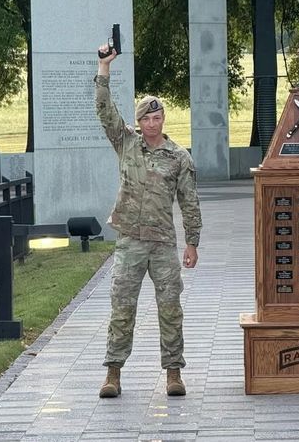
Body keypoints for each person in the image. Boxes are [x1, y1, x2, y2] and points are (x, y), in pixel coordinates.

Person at [94, 44, 202, 398]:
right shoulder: (126, 143)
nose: (152, 124)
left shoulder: (178, 157)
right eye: (145, 119)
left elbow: (189, 200)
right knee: (122, 308)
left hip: (163, 244)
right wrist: (104, 67)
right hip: (129, 242)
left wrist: (193, 242)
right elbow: (104, 110)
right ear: (138, 122)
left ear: (163, 120)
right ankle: (113, 373)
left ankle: (173, 373)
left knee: (170, 308)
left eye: (157, 118)